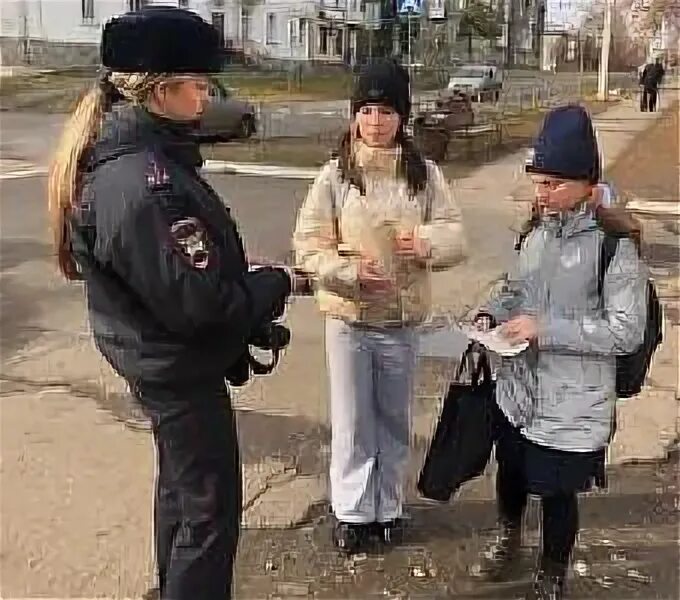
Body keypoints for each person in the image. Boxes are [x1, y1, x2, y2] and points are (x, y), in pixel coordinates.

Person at [47, 7, 298, 599]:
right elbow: (203, 305)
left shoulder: (143, 162)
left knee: (185, 498)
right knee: (209, 517)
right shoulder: (141, 183)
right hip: (177, 370)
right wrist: (277, 283)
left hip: (163, 360)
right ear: (161, 91)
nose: (207, 98)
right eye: (201, 86)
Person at [474, 105, 648, 599]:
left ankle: (552, 570)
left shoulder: (615, 248)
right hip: (519, 387)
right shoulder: (536, 230)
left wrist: (545, 329)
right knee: (509, 473)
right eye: (537, 182)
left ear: (586, 184)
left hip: (574, 402)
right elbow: (515, 288)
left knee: (556, 493)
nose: (541, 194)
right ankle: (507, 536)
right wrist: (492, 312)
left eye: (551, 184)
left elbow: (626, 331)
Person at [293, 59, 467, 553]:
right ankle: (351, 513)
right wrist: (347, 273)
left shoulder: (424, 175)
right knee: (352, 422)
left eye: (386, 110)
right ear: (354, 116)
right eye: (367, 109)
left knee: (393, 420)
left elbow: (457, 235)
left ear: (402, 117)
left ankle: (387, 508)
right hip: (349, 319)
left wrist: (427, 244)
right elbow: (307, 245)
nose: (375, 121)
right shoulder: (335, 177)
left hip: (402, 321)